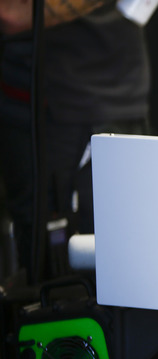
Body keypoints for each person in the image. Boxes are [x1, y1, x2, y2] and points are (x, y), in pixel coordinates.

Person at [0, 0, 149, 282]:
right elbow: (10, 13)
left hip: (105, 96)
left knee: (118, 270)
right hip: (43, 104)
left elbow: (12, 14)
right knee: (52, 275)